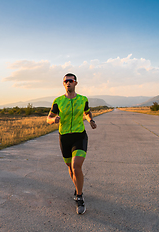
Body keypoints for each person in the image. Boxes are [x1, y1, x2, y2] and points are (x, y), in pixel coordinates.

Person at [47, 73, 97, 215]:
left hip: (79, 136)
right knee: (70, 168)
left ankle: (79, 197)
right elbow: (48, 118)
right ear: (63, 84)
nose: (68, 83)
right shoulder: (58, 101)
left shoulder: (83, 99)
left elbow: (87, 112)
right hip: (64, 138)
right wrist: (53, 120)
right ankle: (77, 188)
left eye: (71, 81)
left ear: (76, 83)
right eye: (65, 81)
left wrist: (90, 120)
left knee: (76, 166)